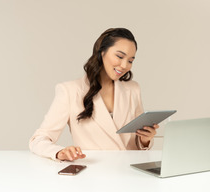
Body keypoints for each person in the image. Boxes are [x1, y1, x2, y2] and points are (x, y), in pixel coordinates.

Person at [29, 28, 159, 161]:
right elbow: (38, 140)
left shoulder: (133, 89)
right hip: (93, 174)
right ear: (102, 52)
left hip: (129, 171)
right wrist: (60, 152)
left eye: (130, 60)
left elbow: (136, 145)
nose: (124, 65)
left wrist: (145, 140)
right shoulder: (69, 91)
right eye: (119, 56)